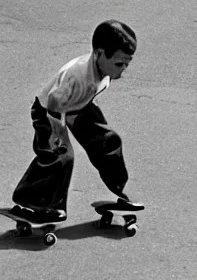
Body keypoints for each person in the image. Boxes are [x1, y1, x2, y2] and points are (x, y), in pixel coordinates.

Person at [9, 20, 143, 223]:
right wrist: (57, 134)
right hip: (50, 112)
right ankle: (33, 201)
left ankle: (121, 192)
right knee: (61, 155)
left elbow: (88, 94)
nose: (123, 70)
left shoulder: (102, 70)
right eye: (118, 64)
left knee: (108, 140)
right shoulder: (76, 75)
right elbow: (54, 102)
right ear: (99, 54)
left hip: (79, 107)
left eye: (127, 64)